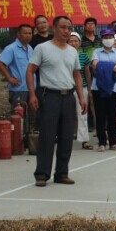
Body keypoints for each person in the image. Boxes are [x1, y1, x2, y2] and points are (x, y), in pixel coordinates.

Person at [25, 16, 86, 187]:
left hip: (68, 97)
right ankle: (42, 174)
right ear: (54, 28)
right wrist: (32, 94)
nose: (66, 31)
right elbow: (30, 71)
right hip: (49, 96)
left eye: (69, 28)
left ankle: (62, 173)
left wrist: (81, 97)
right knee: (47, 136)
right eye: (63, 27)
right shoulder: (42, 48)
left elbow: (77, 75)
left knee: (67, 137)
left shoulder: (72, 51)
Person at [90, 28, 116, 151]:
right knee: (100, 115)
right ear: (102, 39)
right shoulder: (96, 52)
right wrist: (110, 66)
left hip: (115, 88)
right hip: (98, 88)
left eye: (110, 37)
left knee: (112, 115)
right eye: (105, 38)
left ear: (113, 38)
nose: (108, 40)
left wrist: (102, 67)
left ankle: (113, 142)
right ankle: (101, 142)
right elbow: (94, 65)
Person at [0, 23, 34, 110]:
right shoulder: (11, 48)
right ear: (19, 34)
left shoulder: (30, 48)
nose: (28, 36)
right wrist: (9, 78)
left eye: (30, 33)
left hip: (31, 89)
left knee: (31, 115)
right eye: (25, 33)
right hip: (19, 89)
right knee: (18, 115)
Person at [68, 32, 93, 150]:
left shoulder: (83, 56)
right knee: (66, 114)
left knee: (82, 114)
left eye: (75, 41)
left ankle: (84, 140)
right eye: (71, 41)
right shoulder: (63, 55)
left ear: (79, 43)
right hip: (67, 88)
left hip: (82, 88)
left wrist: (89, 89)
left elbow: (87, 74)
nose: (73, 43)